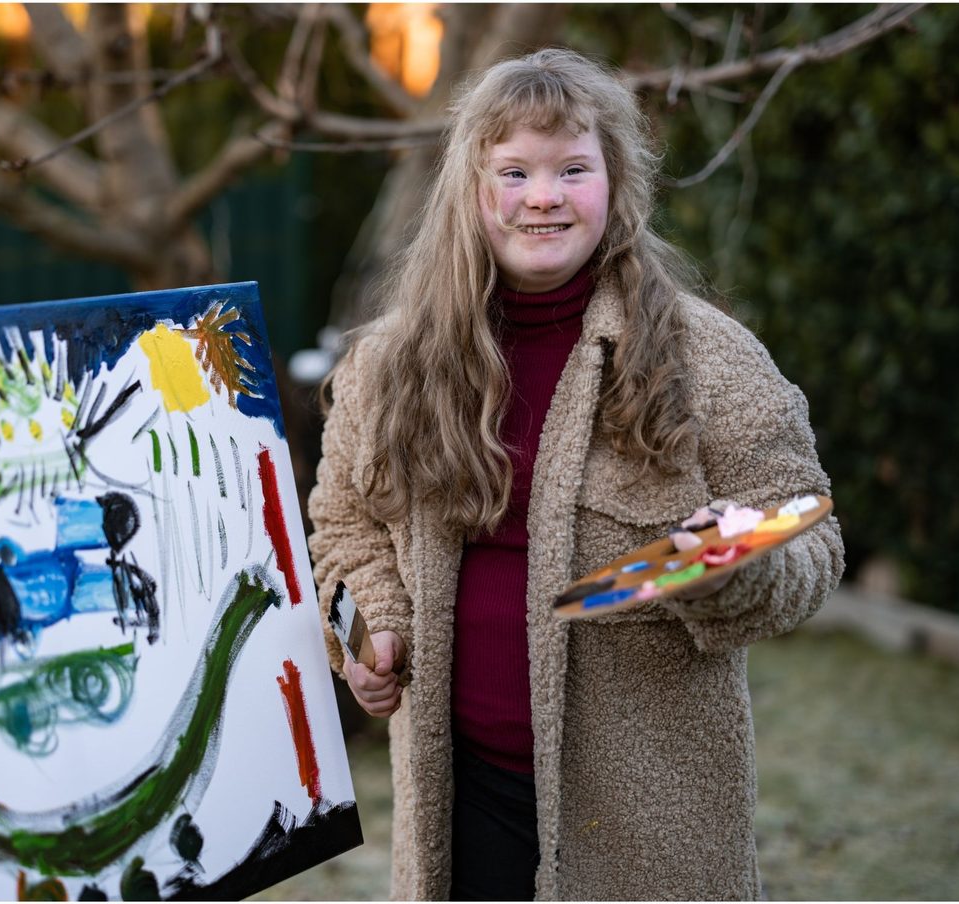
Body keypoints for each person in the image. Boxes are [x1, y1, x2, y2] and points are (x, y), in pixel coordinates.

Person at [307, 48, 843, 901]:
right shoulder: (391, 363)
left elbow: (811, 540)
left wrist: (732, 571)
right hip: (459, 804)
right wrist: (371, 629)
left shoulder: (708, 358)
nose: (543, 196)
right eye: (513, 170)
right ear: (472, 188)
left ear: (616, 182)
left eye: (572, 169)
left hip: (646, 832)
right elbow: (345, 523)